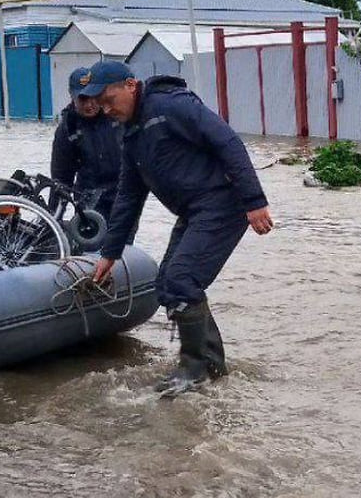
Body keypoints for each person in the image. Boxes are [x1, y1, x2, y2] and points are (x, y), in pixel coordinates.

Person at [84, 61, 274, 397]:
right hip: (193, 211)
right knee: (168, 285)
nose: (105, 108)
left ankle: (193, 371)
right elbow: (128, 196)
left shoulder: (170, 105)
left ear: (130, 85)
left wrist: (254, 201)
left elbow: (228, 142)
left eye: (108, 98)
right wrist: (109, 254)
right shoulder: (131, 133)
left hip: (223, 204)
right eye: (99, 103)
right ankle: (212, 367)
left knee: (183, 281)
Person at [51, 66, 125, 233]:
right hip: (90, 201)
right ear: (72, 96)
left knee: (121, 248)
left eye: (94, 97)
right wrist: (52, 219)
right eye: (83, 99)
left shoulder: (118, 115)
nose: (90, 104)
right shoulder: (67, 130)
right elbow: (61, 181)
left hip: (123, 196)